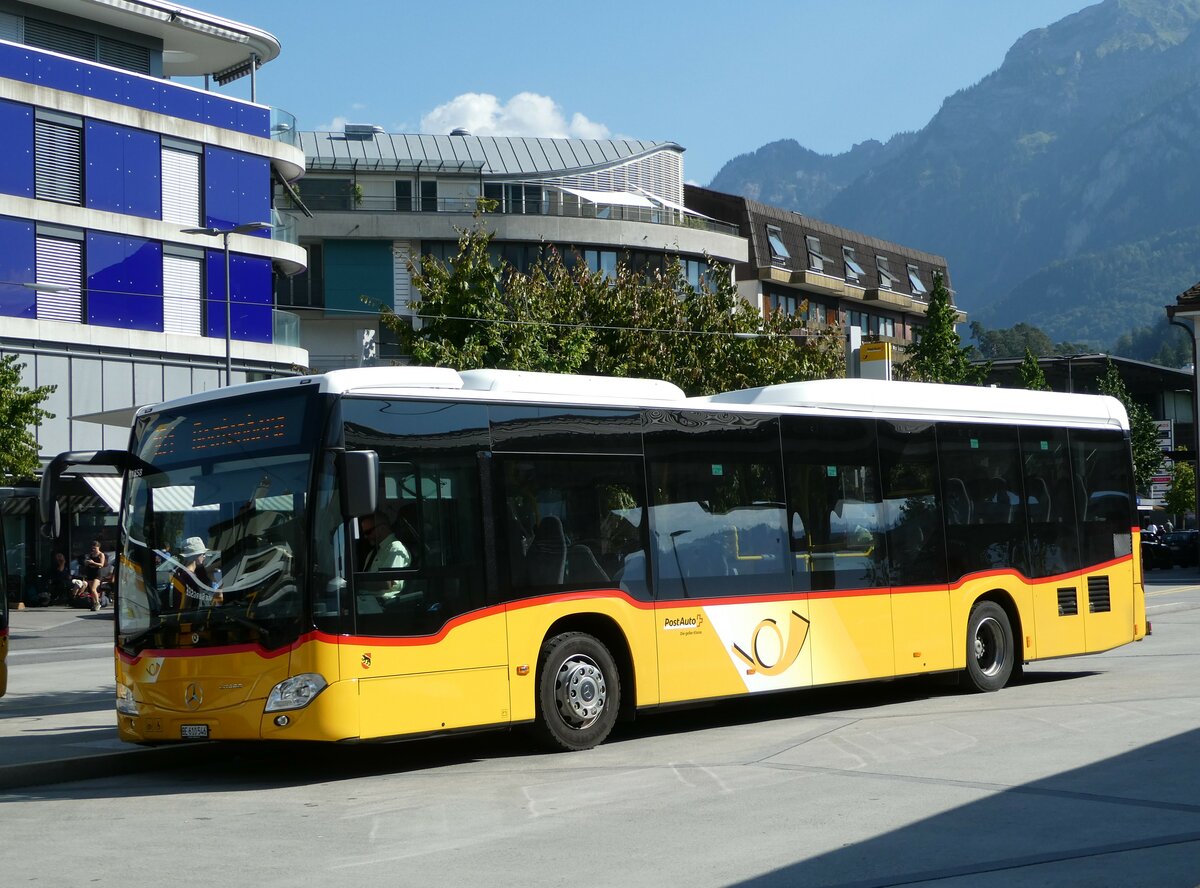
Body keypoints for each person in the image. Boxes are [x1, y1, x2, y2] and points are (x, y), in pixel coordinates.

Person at [358, 513, 411, 600]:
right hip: (367, 599)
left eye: (368, 532)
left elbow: (386, 582)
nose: (365, 536)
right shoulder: (373, 552)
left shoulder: (396, 549)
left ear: (382, 528)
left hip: (384, 604)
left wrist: (355, 583)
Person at [170, 536, 217, 609]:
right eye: (203, 553)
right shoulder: (191, 579)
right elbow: (196, 606)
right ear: (196, 555)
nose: (204, 556)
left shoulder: (180, 572)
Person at [81, 540, 107, 612]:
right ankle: (94, 603)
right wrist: (87, 563)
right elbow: (87, 564)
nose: (93, 550)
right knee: (91, 591)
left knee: (93, 589)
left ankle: (98, 603)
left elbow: (101, 565)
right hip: (90, 572)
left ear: (98, 547)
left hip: (97, 573)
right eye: (92, 548)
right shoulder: (90, 555)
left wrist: (93, 562)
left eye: (95, 548)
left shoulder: (101, 554)